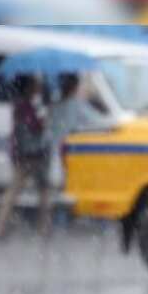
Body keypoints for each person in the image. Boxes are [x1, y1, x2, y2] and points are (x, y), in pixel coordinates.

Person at [45, 73, 112, 224]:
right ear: (75, 87)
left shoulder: (55, 104)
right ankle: (68, 220)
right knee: (70, 189)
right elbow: (98, 121)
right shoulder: (76, 105)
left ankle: (56, 223)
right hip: (72, 153)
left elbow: (48, 128)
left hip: (55, 153)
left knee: (58, 190)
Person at [0, 74, 53, 240]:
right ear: (31, 87)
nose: (39, 87)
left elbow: (18, 132)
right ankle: (43, 228)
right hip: (35, 156)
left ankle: (0, 226)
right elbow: (39, 127)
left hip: (21, 154)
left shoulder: (19, 105)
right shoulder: (32, 106)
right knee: (44, 191)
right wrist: (44, 119)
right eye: (36, 85)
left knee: (13, 191)